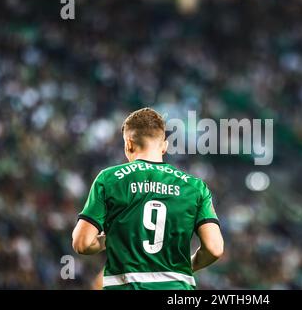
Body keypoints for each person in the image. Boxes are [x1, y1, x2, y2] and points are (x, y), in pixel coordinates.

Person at [72, 107, 224, 290]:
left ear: (128, 143)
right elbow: (214, 248)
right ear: (165, 146)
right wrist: (187, 267)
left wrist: (109, 238)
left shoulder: (109, 179)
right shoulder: (195, 187)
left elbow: (82, 243)